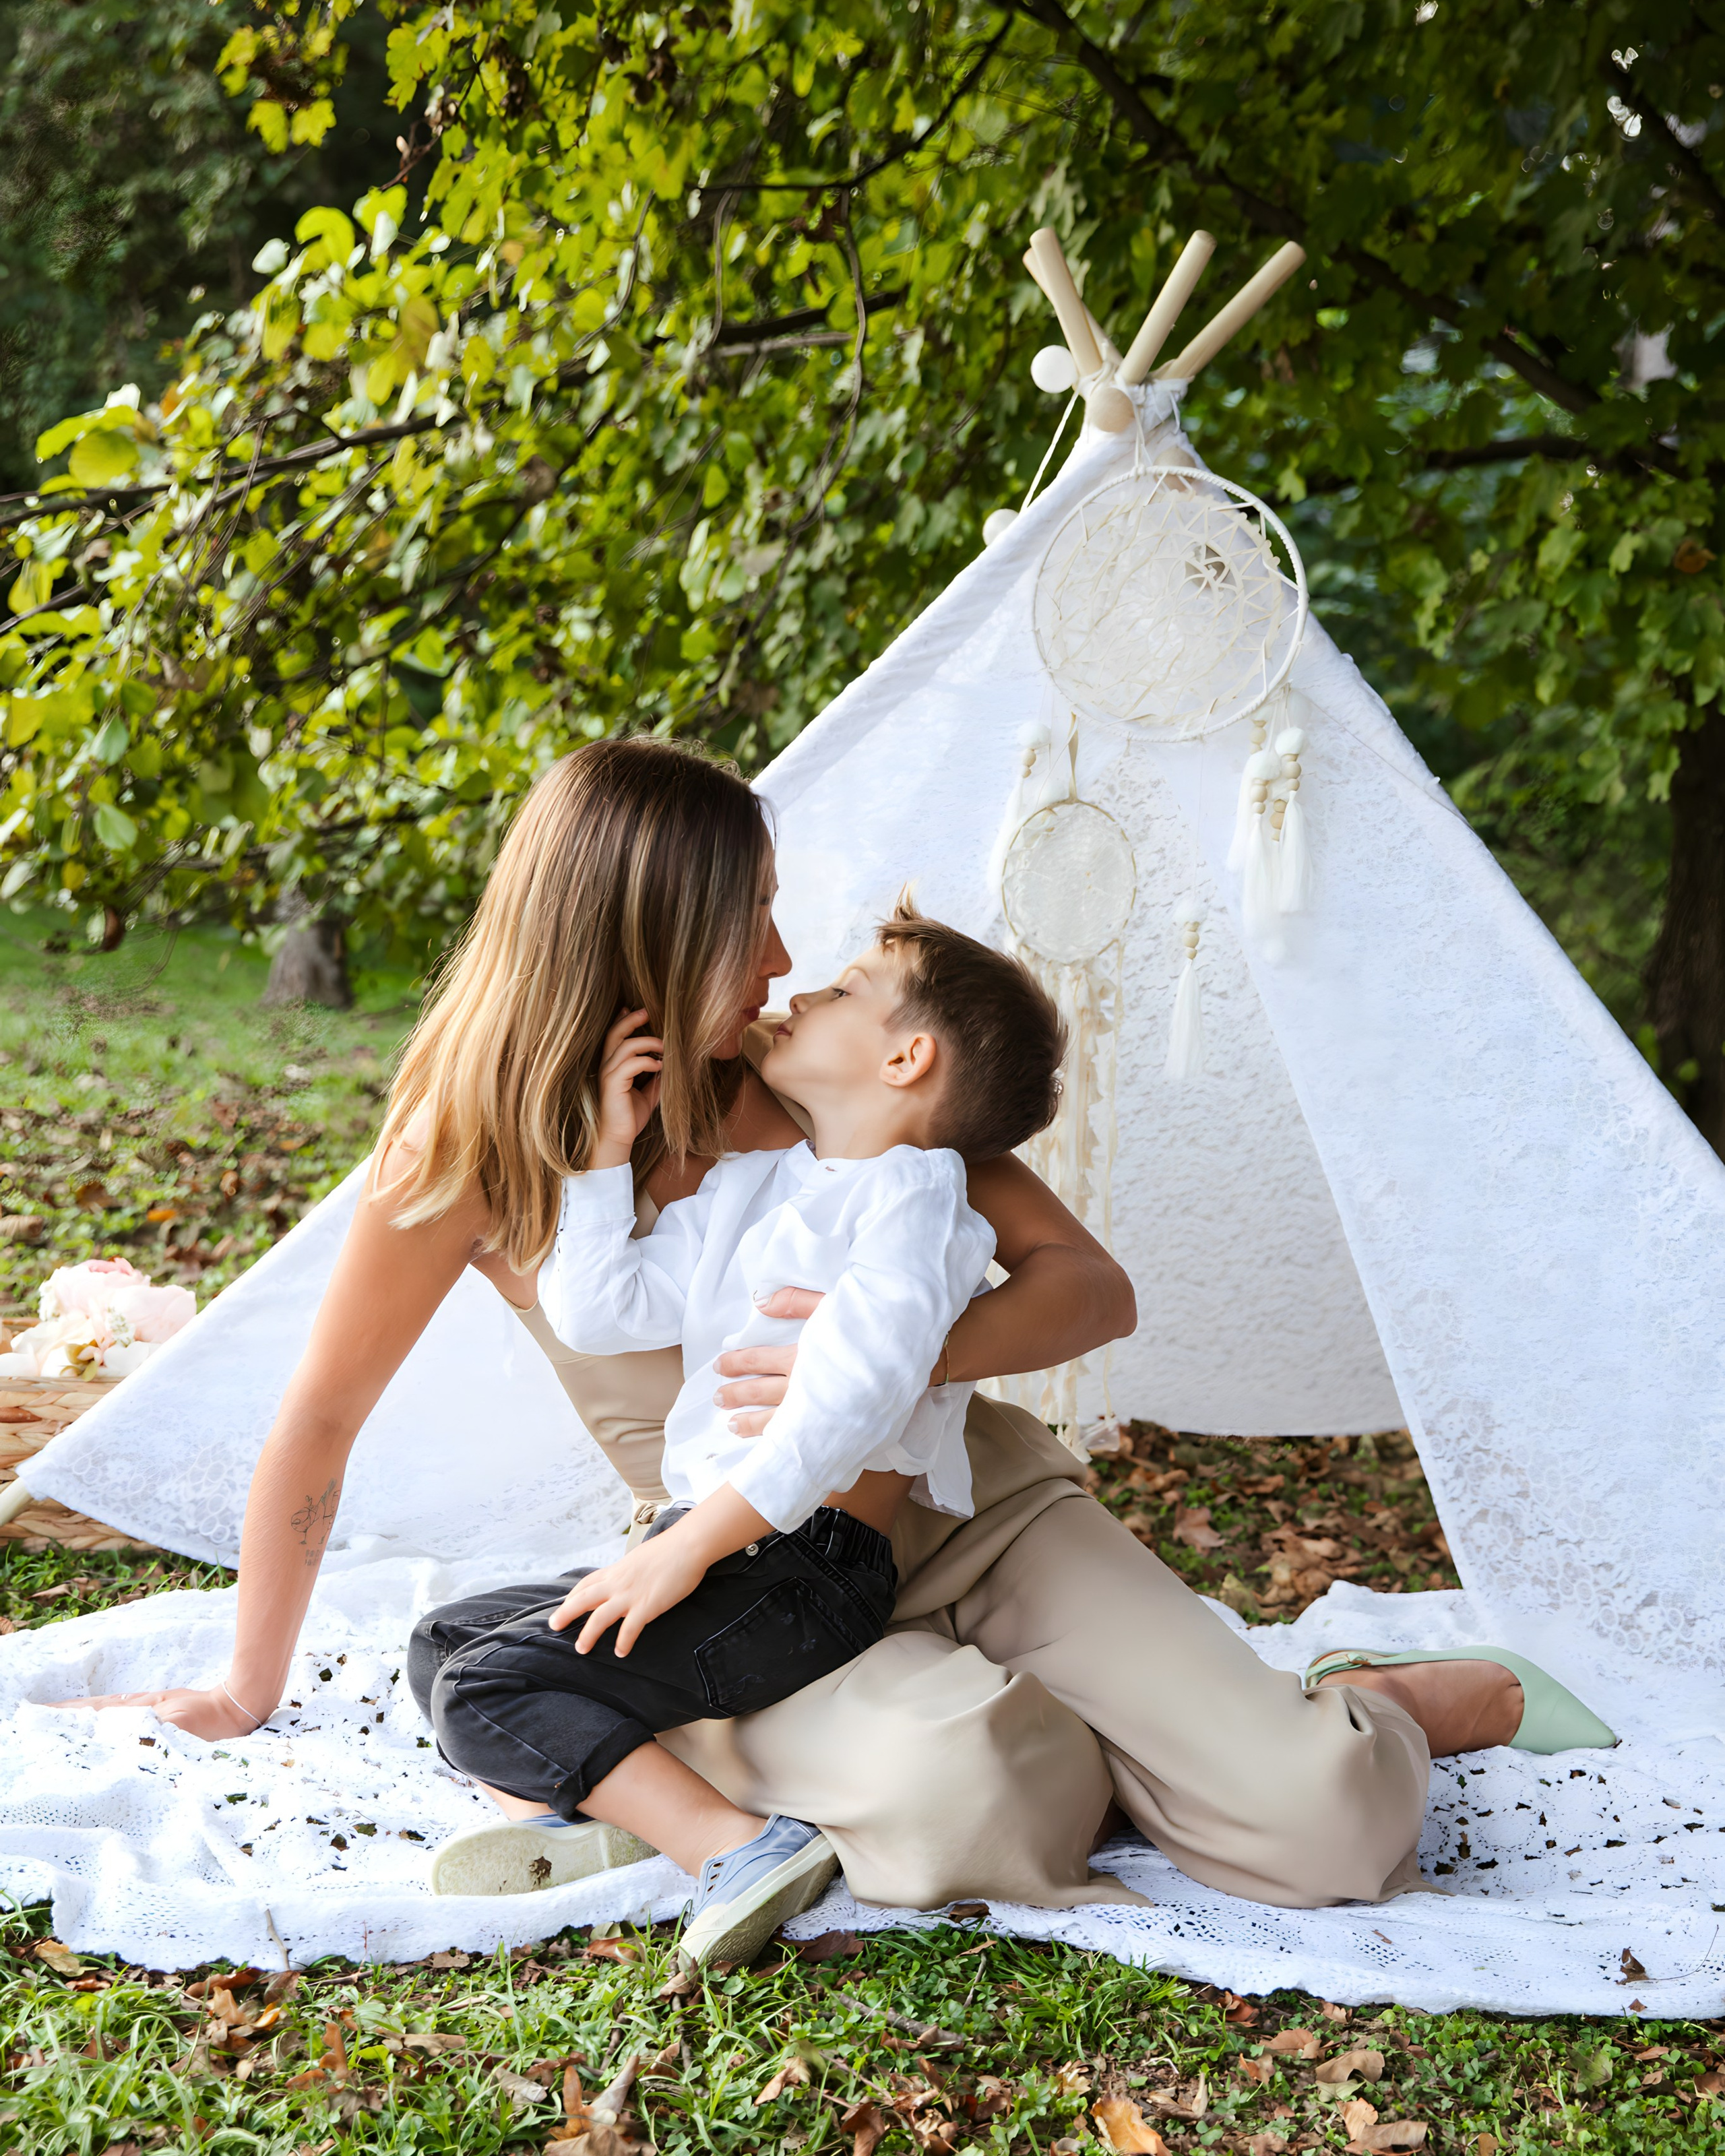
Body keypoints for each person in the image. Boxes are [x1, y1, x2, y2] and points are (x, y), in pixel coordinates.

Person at [67, 738, 1540, 1915]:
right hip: (755, 1571)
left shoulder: (834, 1093)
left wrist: (892, 1357)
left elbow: (1090, 1291)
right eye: (749, 919)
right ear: (646, 935)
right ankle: (1119, 1738)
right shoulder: (471, 1154)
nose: (780, 958)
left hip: (978, 1512)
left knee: (1327, 1821)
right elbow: (318, 1427)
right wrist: (246, 1686)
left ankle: (1332, 1710)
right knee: (975, 1809)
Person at [421, 899, 1064, 1965]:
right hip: (726, 1543)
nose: (805, 988)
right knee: (445, 1643)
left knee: (486, 1688)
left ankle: (740, 1844)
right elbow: (600, 1312)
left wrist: (684, 1547)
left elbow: (848, 1402)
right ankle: (602, 1827)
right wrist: (598, 1160)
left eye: (847, 989)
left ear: (906, 1057)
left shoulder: (918, 1202)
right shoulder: (765, 1187)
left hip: (801, 1563)